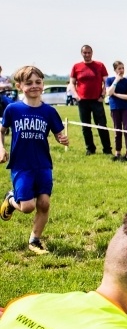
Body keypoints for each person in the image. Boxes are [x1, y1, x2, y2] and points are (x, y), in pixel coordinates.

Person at [0, 66, 70, 254]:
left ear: (43, 85)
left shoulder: (49, 111)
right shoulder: (13, 109)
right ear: (19, 85)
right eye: (29, 83)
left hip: (43, 164)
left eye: (38, 82)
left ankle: (35, 240)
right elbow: (2, 130)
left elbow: (58, 133)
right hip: (21, 165)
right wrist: (1, 148)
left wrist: (62, 138)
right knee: (27, 207)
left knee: (44, 203)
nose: (34, 86)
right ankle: (11, 198)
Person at [70, 45, 112, 155]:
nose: (87, 55)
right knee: (86, 126)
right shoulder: (76, 67)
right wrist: (76, 96)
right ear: (82, 53)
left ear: (92, 53)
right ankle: (90, 148)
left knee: (102, 125)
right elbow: (72, 83)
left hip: (97, 100)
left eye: (89, 52)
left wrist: (102, 96)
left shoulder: (99, 65)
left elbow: (106, 83)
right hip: (82, 101)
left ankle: (107, 149)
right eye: (85, 53)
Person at [106, 61, 127, 162]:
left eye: (122, 68)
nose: (121, 70)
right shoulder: (110, 80)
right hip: (115, 108)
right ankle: (117, 152)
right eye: (119, 68)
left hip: (126, 109)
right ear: (115, 70)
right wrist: (116, 81)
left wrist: (116, 94)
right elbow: (109, 92)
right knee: (117, 131)